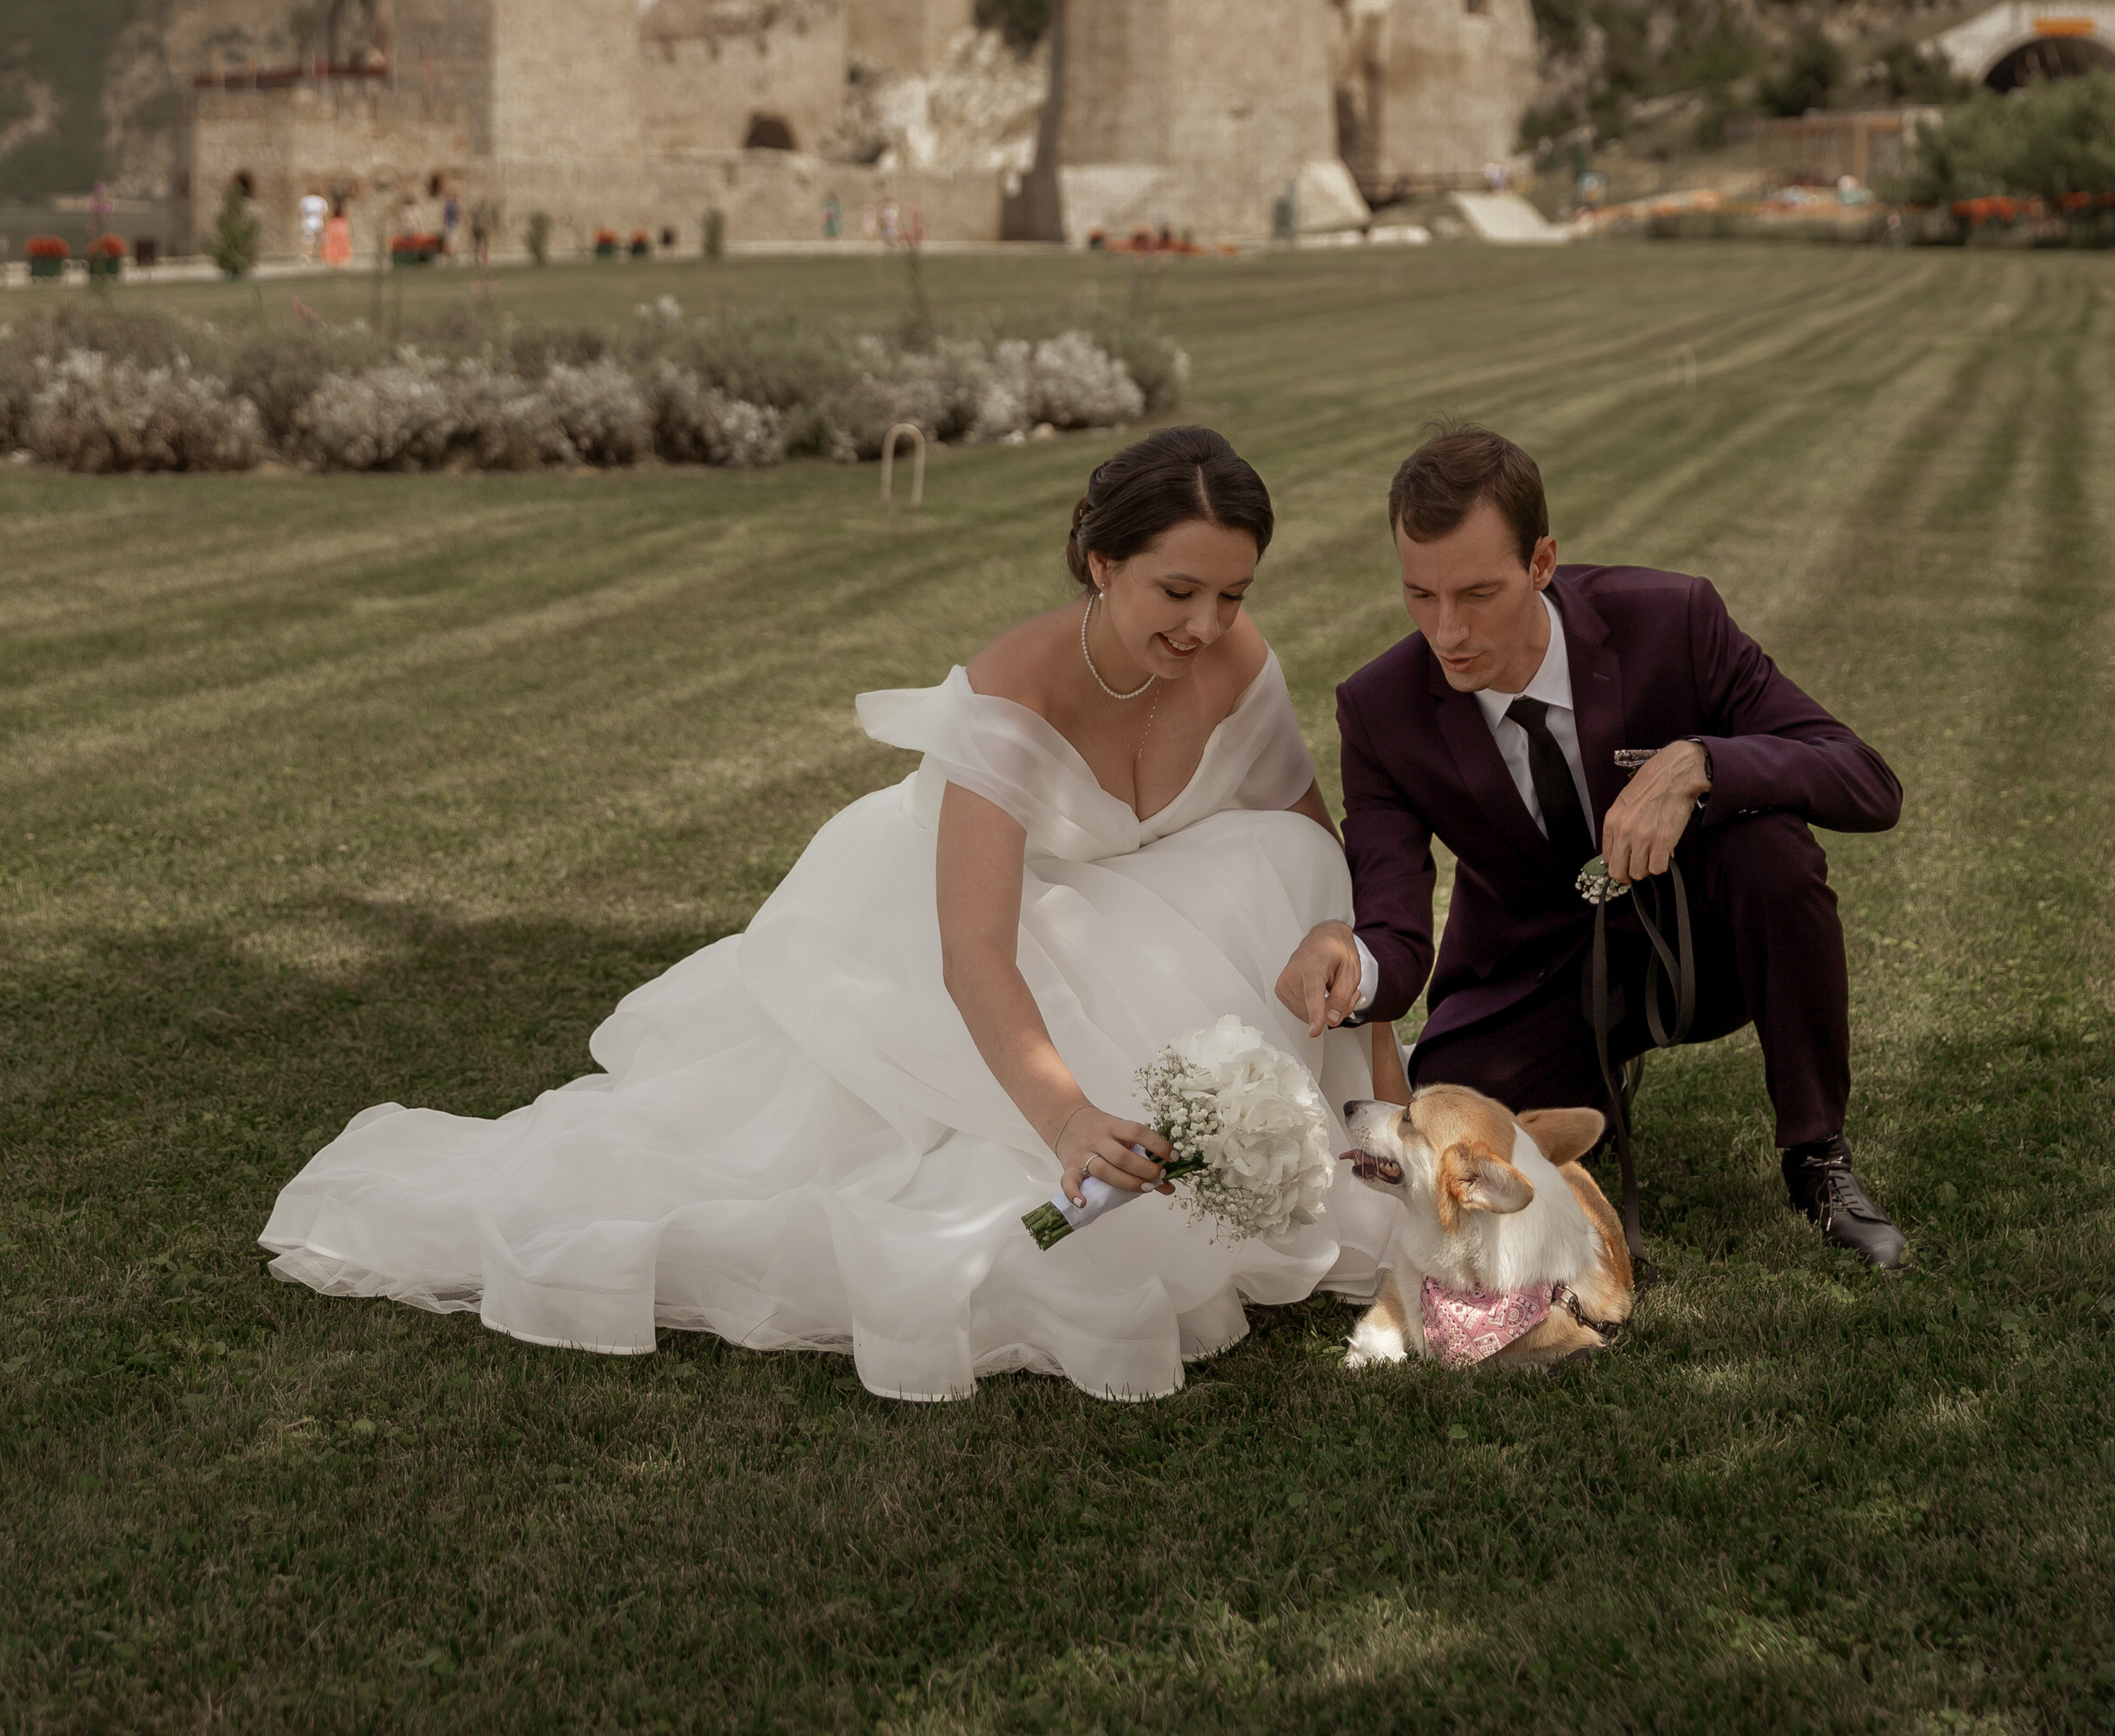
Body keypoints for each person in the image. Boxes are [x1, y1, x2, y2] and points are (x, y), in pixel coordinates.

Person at [260, 427, 1395, 1398]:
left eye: (1232, 595)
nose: (1206, 626)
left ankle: (1334, 1130)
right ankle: (1080, 1150)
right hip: (955, 934)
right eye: (1178, 593)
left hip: (1133, 913)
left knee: (1282, 859)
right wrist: (1063, 1119)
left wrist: (1381, 1070)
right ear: (1102, 564)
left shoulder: (1234, 660)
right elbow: (973, 953)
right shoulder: (1014, 692)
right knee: (953, 1183)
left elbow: (1321, 863)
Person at [1276, 426, 1907, 1271]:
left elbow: (1866, 782)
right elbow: (1394, 921)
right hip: (1531, 973)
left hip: (1701, 941)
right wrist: (1350, 959)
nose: (1446, 629)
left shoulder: (1669, 621)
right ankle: (1582, 1107)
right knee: (1461, 1136)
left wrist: (1701, 763)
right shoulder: (1379, 708)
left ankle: (1815, 1156)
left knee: (1771, 850)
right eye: (1418, 595)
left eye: (1476, 592)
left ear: (1542, 563)